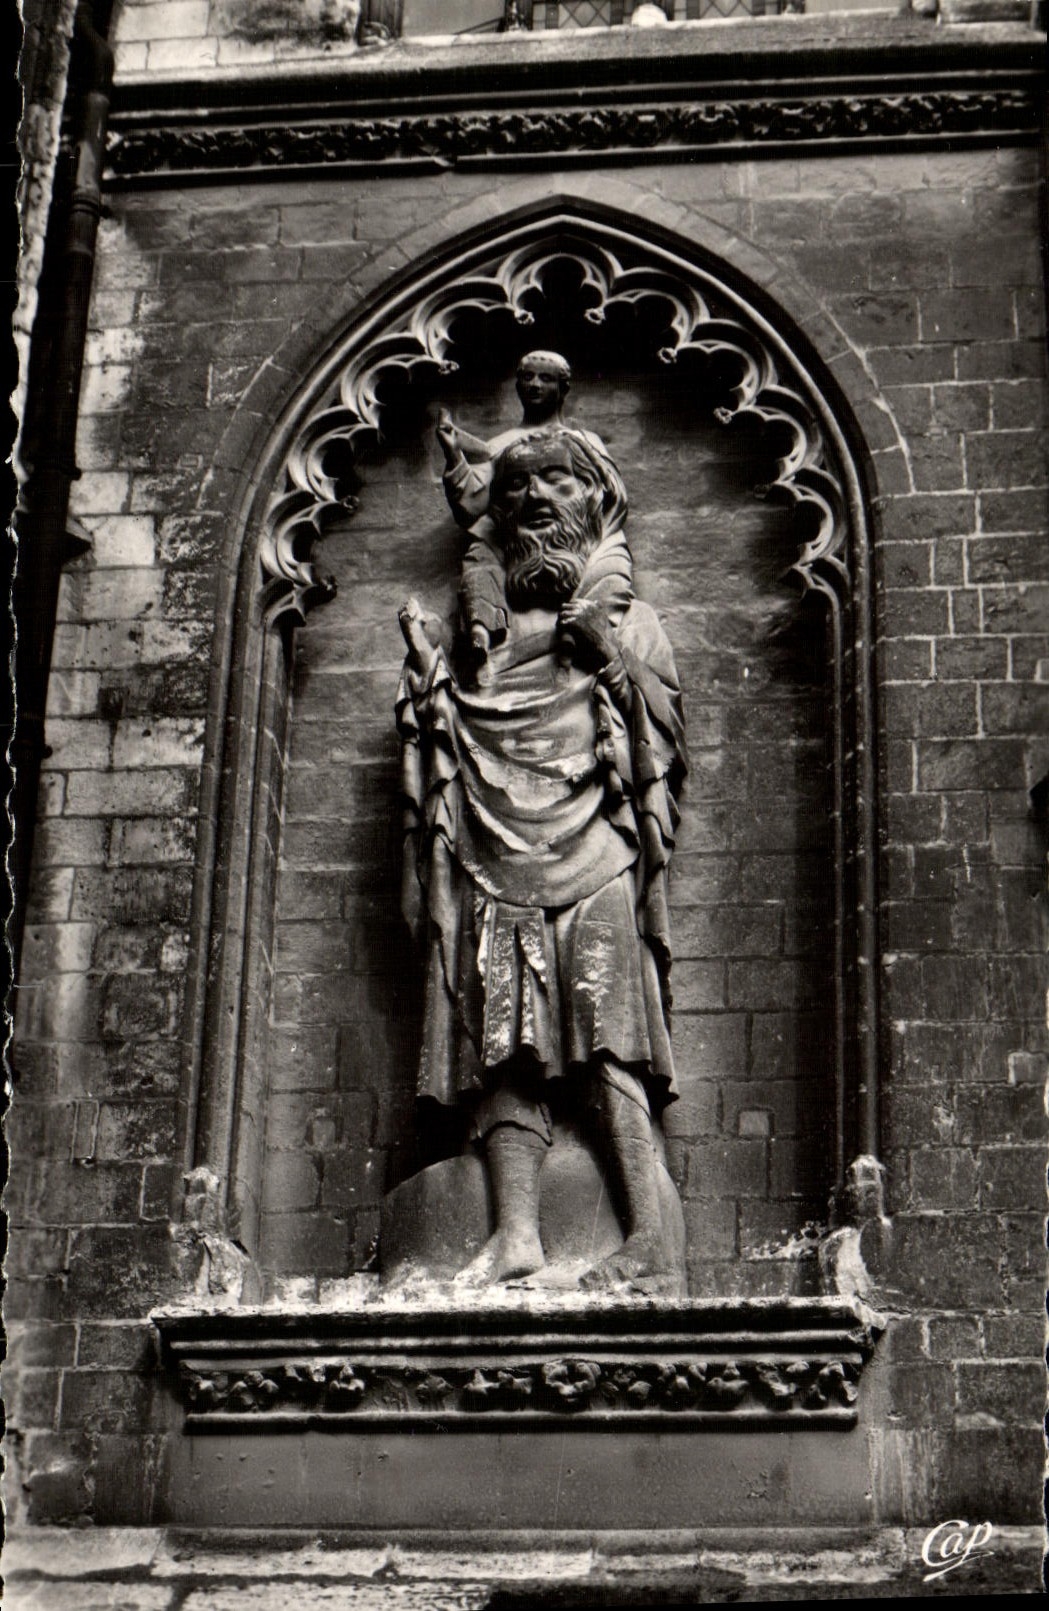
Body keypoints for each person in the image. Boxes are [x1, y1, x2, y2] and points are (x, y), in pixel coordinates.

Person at [397, 427, 688, 1295]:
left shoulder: (629, 619)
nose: (533, 498)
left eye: (555, 478)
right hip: (492, 838)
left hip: (594, 843)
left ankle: (649, 1244)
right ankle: (516, 1234)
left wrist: (605, 651)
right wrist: (427, 681)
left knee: (609, 1033)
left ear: (592, 496)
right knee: (500, 1038)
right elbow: (443, 737)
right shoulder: (477, 640)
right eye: (518, 484)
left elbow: (664, 730)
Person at [436, 352, 622, 674]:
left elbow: (611, 494)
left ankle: (588, 629)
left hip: (574, 534)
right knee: (479, 557)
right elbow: (471, 505)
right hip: (516, 540)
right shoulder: (501, 444)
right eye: (527, 377)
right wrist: (454, 456)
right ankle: (481, 631)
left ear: (563, 388)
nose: (534, 385)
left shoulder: (583, 440)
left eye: (545, 378)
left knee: (611, 557)